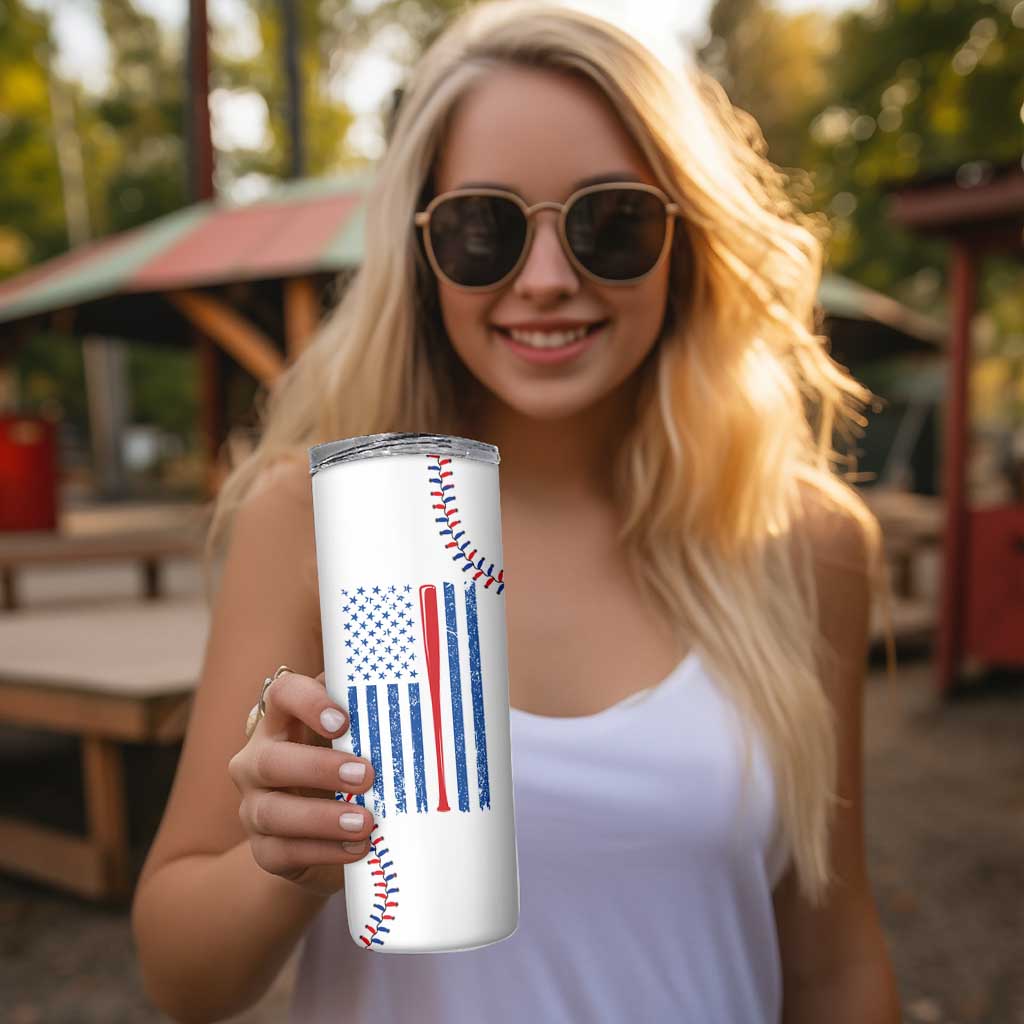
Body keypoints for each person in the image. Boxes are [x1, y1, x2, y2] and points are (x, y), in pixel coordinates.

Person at [131, 2, 902, 1021]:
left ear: (686, 241)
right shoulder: (315, 521)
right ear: (420, 250)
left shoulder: (803, 542)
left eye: (611, 223)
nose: (546, 280)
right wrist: (281, 858)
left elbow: (833, 960)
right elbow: (180, 976)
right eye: (483, 228)